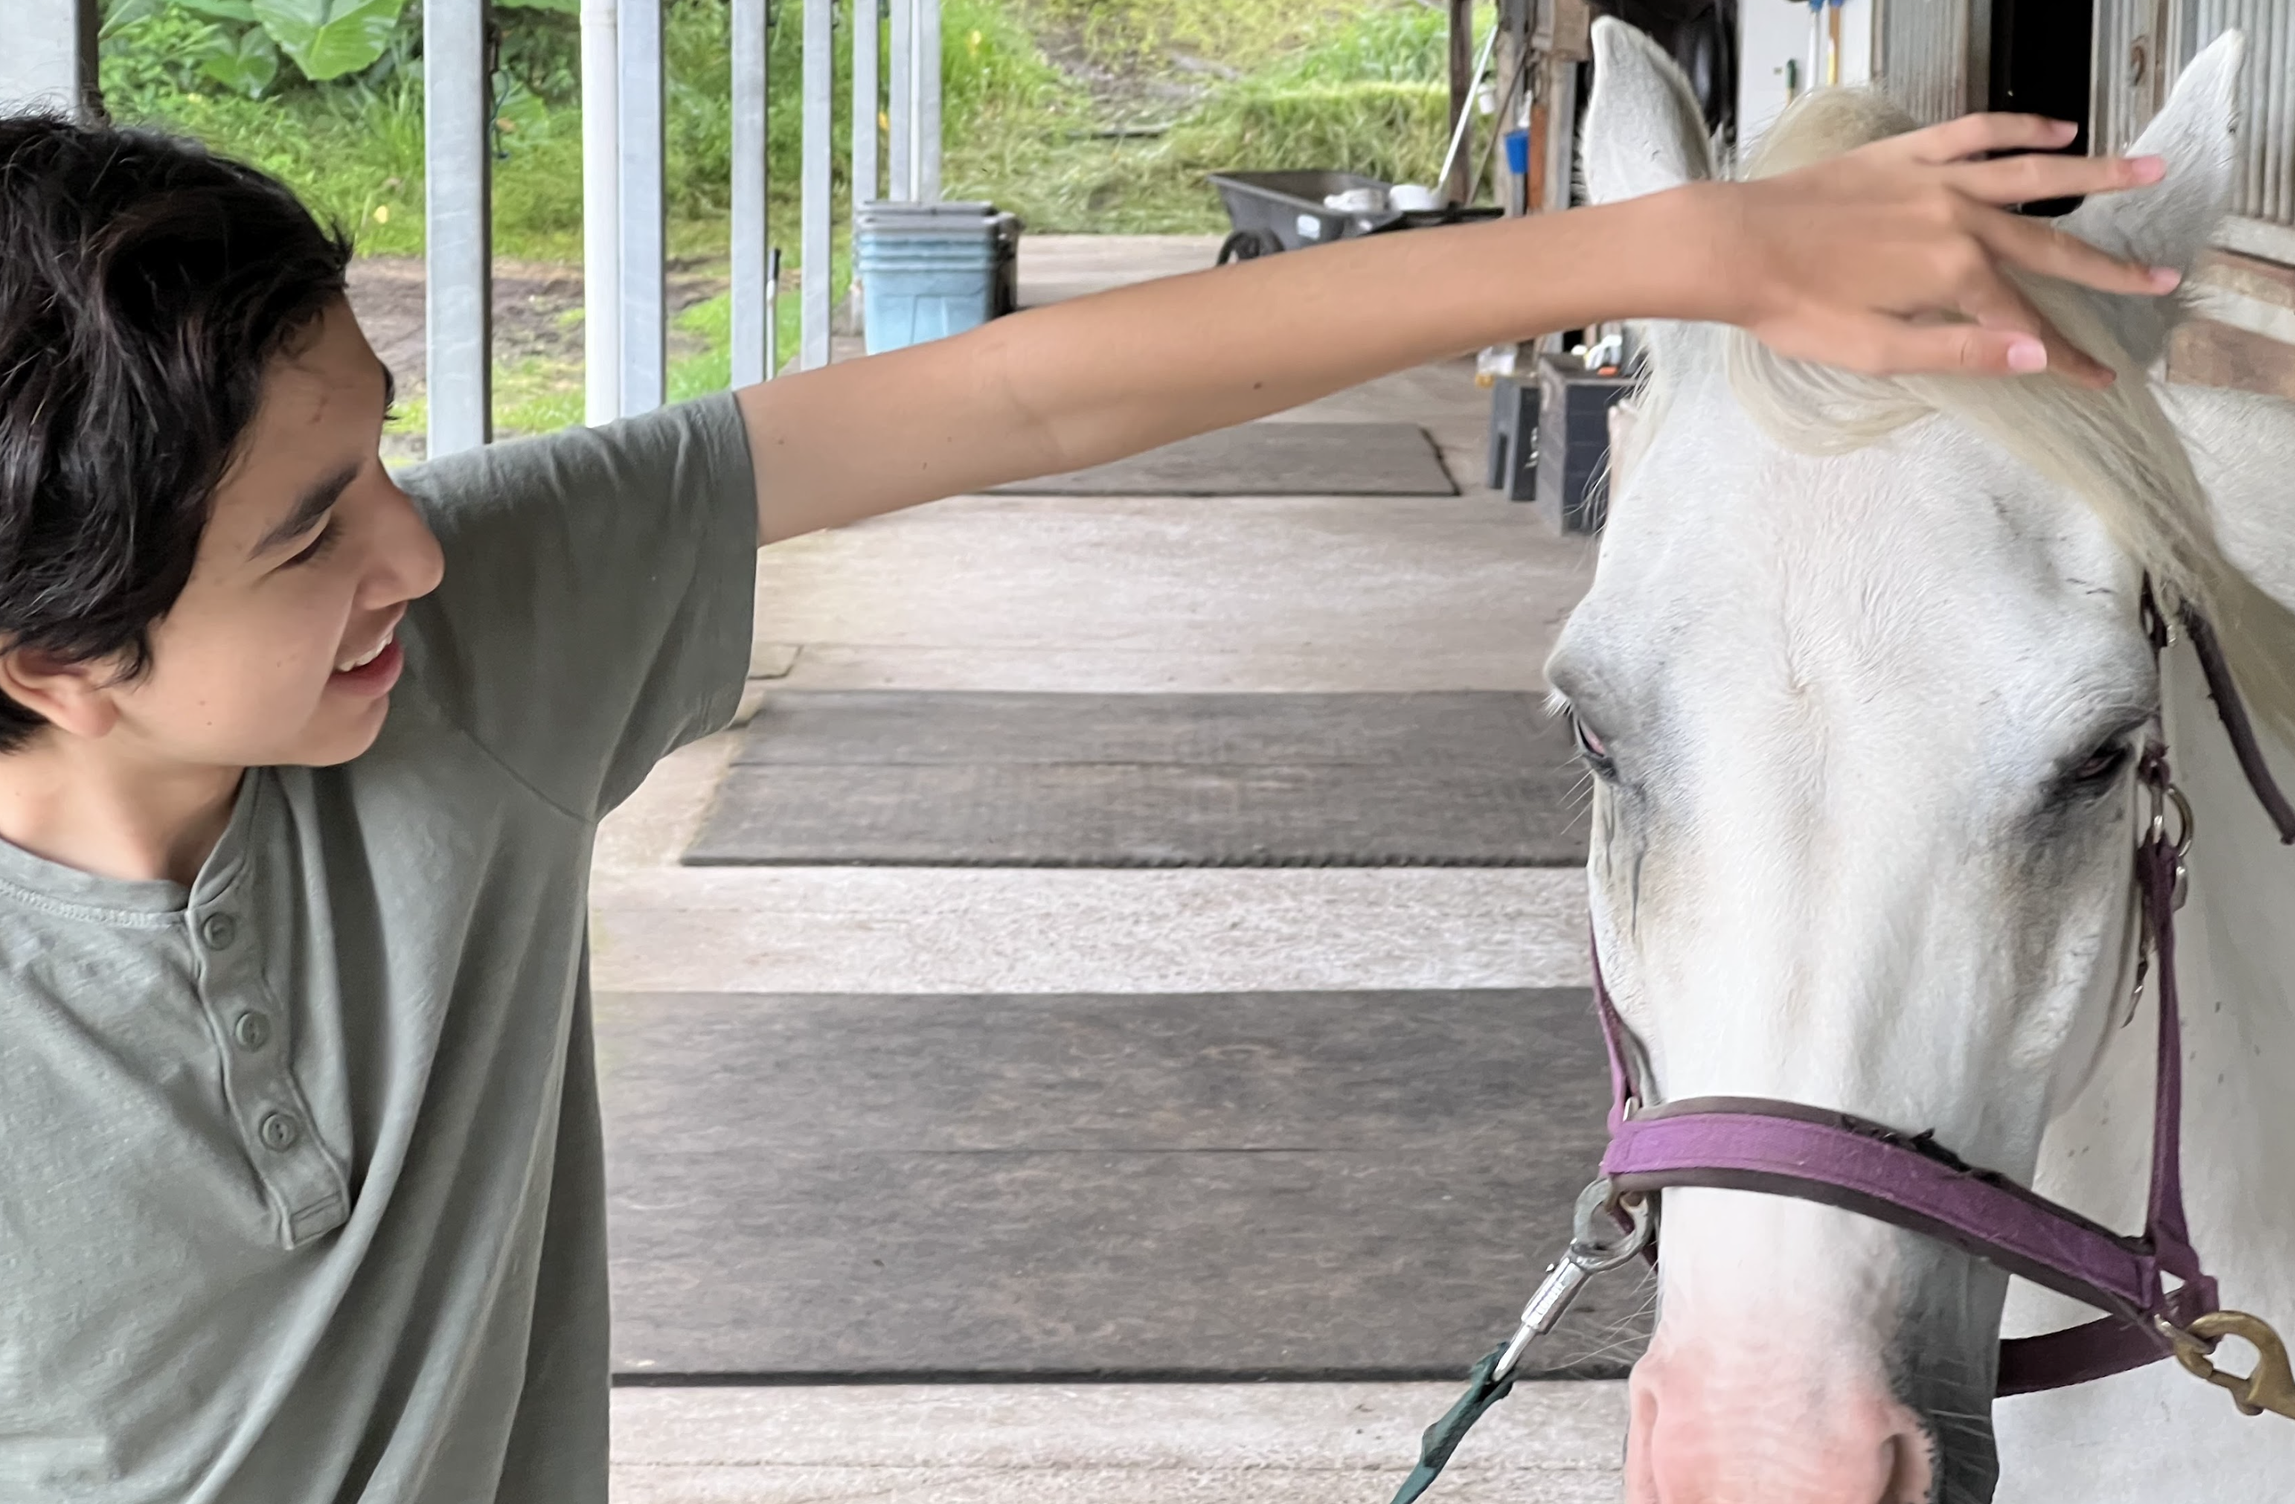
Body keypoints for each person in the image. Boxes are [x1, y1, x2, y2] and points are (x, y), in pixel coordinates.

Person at [0, 104, 2175, 1501]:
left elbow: (1013, 391)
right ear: (50, 654)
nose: (418, 546)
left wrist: (1678, 253)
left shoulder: (476, 658)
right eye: (313, 533)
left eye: (382, 453)